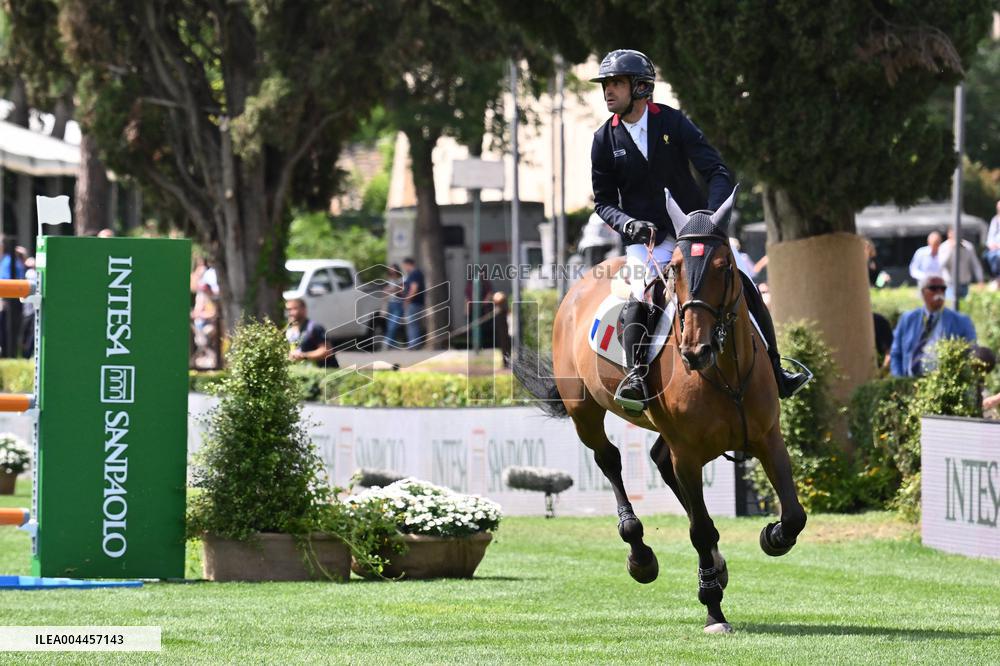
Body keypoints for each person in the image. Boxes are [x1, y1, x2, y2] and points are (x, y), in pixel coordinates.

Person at [589, 48, 808, 411]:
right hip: (648, 240)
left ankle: (776, 367)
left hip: (695, 232)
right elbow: (602, 201)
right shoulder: (603, 140)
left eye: (616, 83)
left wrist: (706, 218)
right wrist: (627, 223)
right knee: (637, 296)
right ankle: (638, 377)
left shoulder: (674, 123)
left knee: (746, 284)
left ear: (641, 88)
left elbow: (717, 172)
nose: (608, 91)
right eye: (606, 84)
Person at [889, 274, 976, 377]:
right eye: (933, 288)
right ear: (922, 292)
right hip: (909, 382)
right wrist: (899, 381)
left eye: (943, 288)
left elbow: (972, 352)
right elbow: (895, 353)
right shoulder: (908, 319)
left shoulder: (961, 321)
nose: (939, 292)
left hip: (942, 383)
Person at [285, 298, 337, 368]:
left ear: (304, 309)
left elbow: (327, 351)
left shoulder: (314, 328)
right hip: (303, 373)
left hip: (322, 373)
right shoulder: (289, 331)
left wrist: (303, 356)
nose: (290, 313)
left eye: (294, 309)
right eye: (288, 309)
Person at [938, 228, 983, 300]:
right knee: (952, 308)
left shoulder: (968, 246)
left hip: (965, 285)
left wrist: (980, 279)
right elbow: (941, 265)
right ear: (949, 234)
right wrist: (951, 249)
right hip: (950, 285)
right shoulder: (944, 247)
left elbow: (975, 265)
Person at [400, 257, 425, 350]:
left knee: (412, 323)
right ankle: (415, 343)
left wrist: (407, 300)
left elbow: (414, 288)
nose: (404, 268)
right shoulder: (417, 273)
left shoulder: (414, 273)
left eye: (404, 266)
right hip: (417, 302)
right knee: (415, 323)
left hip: (413, 302)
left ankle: (413, 344)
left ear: (408, 264)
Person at [382, 264, 406, 350]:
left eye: (394, 271)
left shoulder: (402, 279)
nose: (392, 272)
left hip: (398, 303)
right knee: (390, 325)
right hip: (390, 303)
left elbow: (402, 288)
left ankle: (387, 342)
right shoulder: (390, 280)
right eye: (390, 271)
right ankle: (393, 344)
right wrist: (387, 290)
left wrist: (391, 290)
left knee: (393, 324)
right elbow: (386, 290)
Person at [984, 200, 1000, 281]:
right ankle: (993, 277)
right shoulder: (995, 220)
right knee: (985, 256)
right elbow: (990, 236)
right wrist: (991, 244)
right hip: (994, 248)